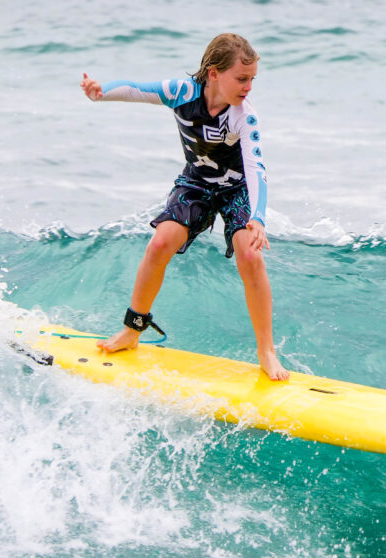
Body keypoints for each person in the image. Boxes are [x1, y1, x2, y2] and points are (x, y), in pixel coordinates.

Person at [80, 32, 289, 381]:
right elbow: (137, 89)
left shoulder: (243, 116)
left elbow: (256, 167)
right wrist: (103, 92)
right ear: (213, 74)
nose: (248, 86)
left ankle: (266, 350)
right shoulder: (181, 92)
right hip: (197, 182)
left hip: (237, 189)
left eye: (252, 79)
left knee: (250, 256)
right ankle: (133, 330)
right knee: (161, 241)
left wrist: (257, 218)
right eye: (241, 78)